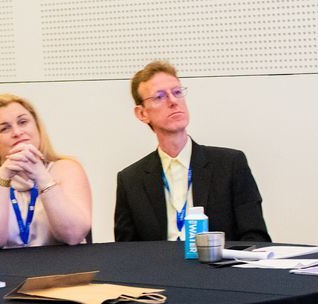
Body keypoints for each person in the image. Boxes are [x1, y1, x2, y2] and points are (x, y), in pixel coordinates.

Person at [113, 61, 271, 247]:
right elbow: (126, 252)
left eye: (177, 92)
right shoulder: (131, 180)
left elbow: (256, 239)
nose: (173, 101)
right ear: (142, 114)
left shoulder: (230, 164)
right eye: (160, 97)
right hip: (157, 273)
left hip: (219, 271)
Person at [0, 93, 93, 250]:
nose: (17, 132)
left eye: (23, 122)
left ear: (38, 128)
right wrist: (3, 177)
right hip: (5, 272)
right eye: (4, 128)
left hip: (64, 270)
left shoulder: (67, 169)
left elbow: (73, 235)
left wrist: (41, 176)